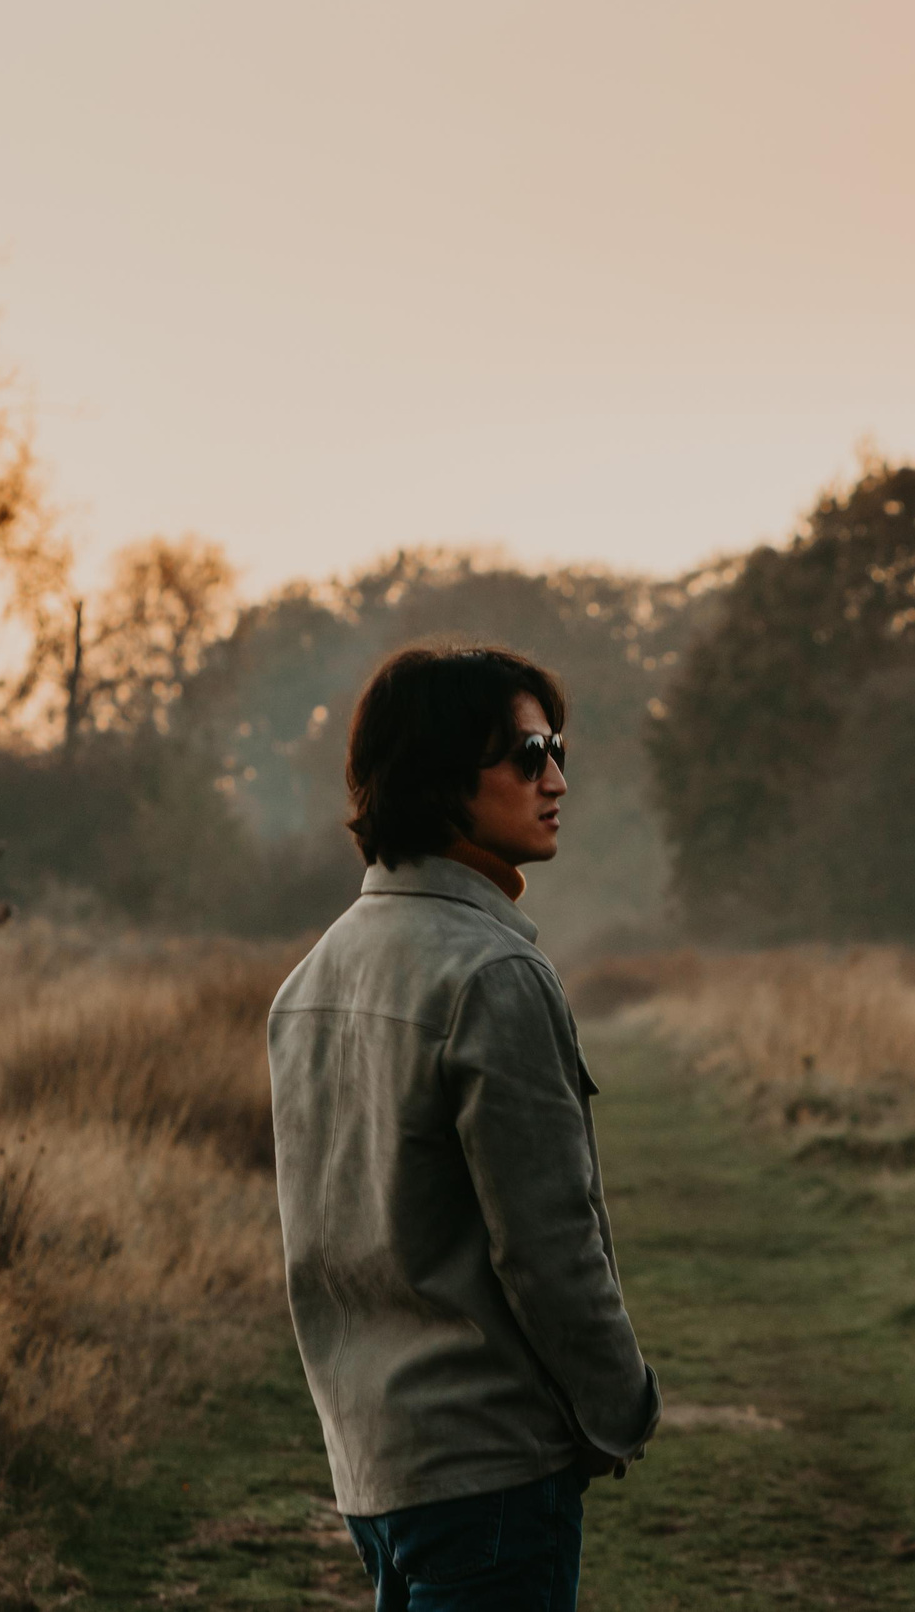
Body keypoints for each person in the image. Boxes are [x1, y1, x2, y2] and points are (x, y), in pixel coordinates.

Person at [269, 645, 660, 1612]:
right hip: (489, 1468)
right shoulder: (493, 976)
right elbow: (549, 1245)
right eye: (528, 754)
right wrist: (622, 1407)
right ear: (440, 776)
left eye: (556, 748)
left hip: (373, 1465)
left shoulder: (311, 979)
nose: (558, 778)